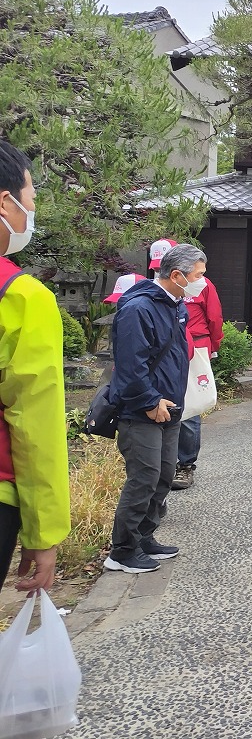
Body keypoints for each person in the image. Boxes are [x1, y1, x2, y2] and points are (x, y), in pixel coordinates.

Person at [105, 243, 205, 574]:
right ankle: (122, 550)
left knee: (163, 475)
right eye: (198, 275)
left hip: (170, 405)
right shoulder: (139, 308)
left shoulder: (175, 305)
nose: (202, 282)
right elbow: (130, 363)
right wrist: (149, 400)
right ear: (177, 275)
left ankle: (145, 537)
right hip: (142, 409)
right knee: (144, 477)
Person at [0, 140, 69, 592]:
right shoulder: (21, 297)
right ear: (5, 202)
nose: (31, 210)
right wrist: (43, 533)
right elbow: (35, 420)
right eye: (31, 198)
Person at [172, 261, 223, 491]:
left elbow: (214, 317)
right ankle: (164, 463)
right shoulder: (157, 286)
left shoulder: (203, 285)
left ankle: (185, 464)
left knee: (190, 403)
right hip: (169, 347)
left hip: (197, 346)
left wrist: (214, 345)